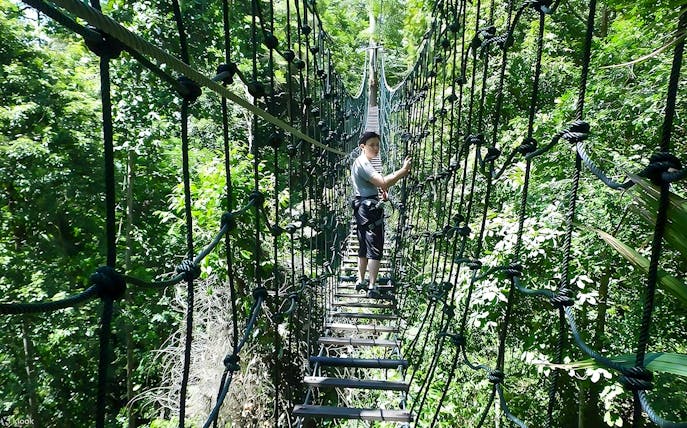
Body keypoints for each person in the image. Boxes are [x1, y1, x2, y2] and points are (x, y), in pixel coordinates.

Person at [350, 131, 412, 296]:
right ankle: (372, 286)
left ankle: (361, 280)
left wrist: (378, 194)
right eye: (372, 145)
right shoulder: (363, 163)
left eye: (377, 145)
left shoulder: (361, 162)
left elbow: (372, 185)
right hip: (369, 210)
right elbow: (383, 182)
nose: (376, 148)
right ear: (362, 147)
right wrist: (403, 171)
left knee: (363, 245)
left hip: (362, 206)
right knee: (375, 246)